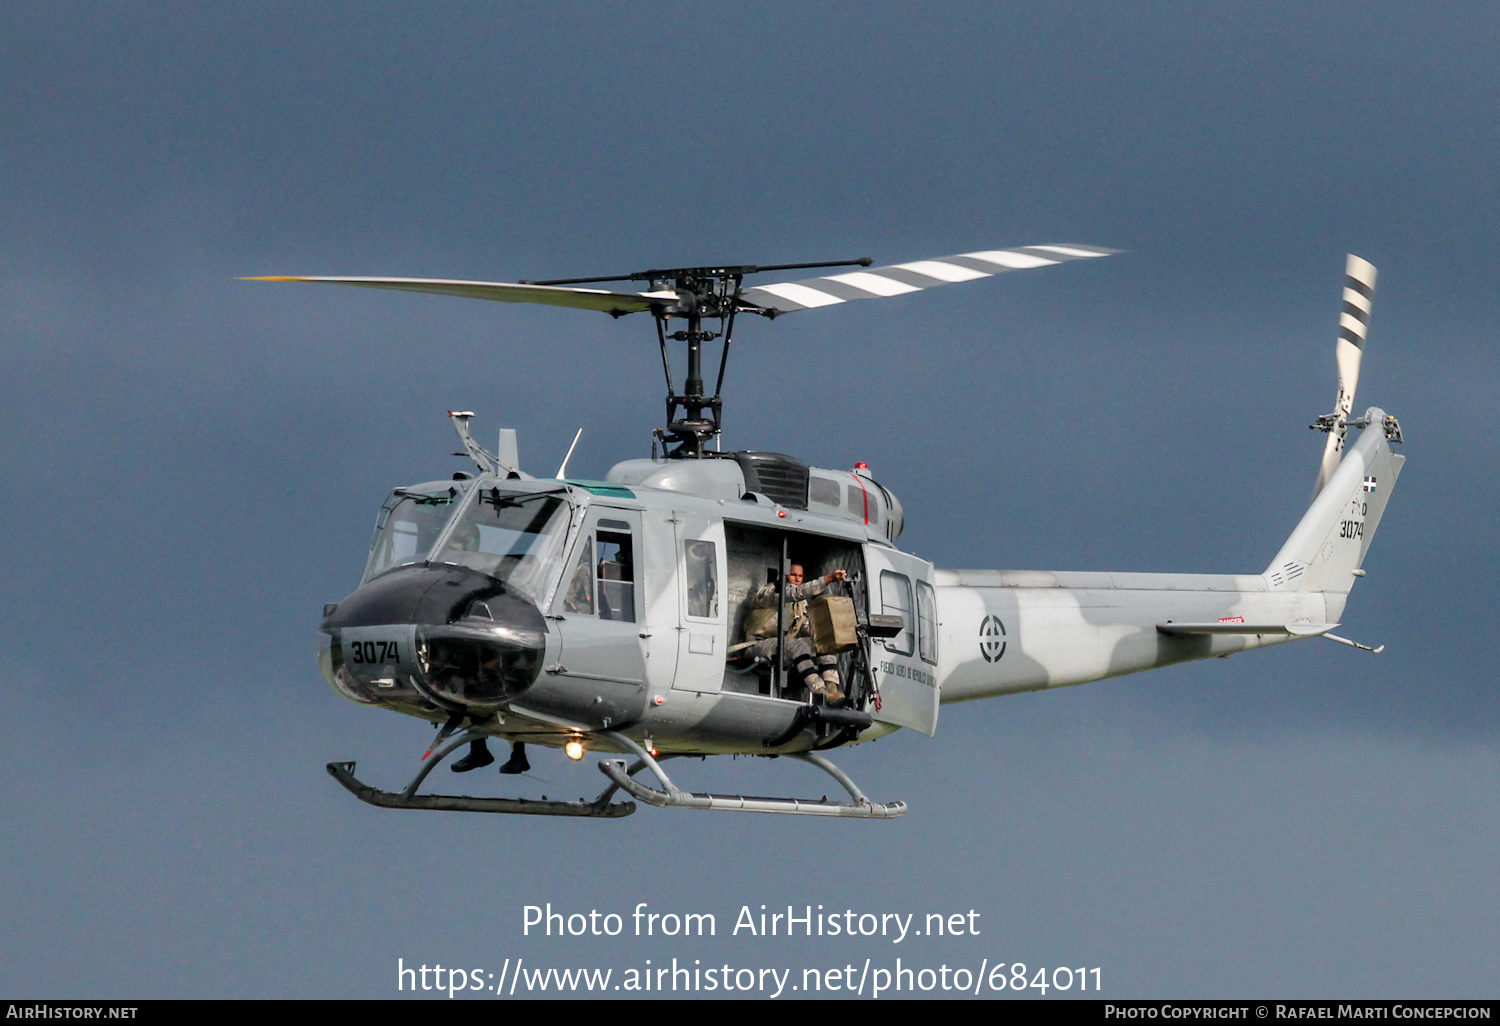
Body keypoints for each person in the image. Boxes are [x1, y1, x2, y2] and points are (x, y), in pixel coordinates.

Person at [746, 564, 848, 704]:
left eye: (800, 576)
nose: (797, 579)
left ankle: (832, 687)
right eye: (793, 575)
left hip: (784, 645)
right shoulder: (770, 593)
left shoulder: (801, 604)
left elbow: (805, 625)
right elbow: (795, 593)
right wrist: (827, 579)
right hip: (756, 644)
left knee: (822, 643)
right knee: (795, 645)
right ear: (783, 575)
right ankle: (820, 690)